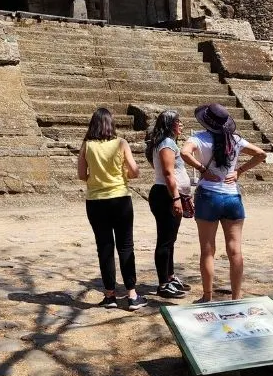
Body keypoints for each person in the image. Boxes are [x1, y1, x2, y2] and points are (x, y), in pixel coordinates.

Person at [181, 103, 266, 302]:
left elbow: (184, 152)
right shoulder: (235, 140)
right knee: (235, 250)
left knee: (208, 250)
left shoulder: (199, 138)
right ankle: (236, 296)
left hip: (208, 195)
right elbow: (261, 154)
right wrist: (239, 171)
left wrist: (202, 169)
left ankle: (207, 295)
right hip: (231, 196)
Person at [77, 107, 146, 311]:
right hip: (120, 199)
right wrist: (122, 173)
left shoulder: (87, 145)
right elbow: (134, 172)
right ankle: (132, 294)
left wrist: (97, 178)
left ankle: (110, 295)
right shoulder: (121, 143)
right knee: (126, 246)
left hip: (96, 200)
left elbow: (82, 174)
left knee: (105, 247)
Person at [145, 109, 192, 299]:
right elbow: (168, 174)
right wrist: (175, 198)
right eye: (178, 122)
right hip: (165, 196)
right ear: (170, 124)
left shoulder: (166, 143)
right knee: (165, 240)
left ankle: (170, 277)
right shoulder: (166, 144)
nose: (181, 125)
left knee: (170, 240)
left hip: (170, 194)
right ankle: (163, 284)